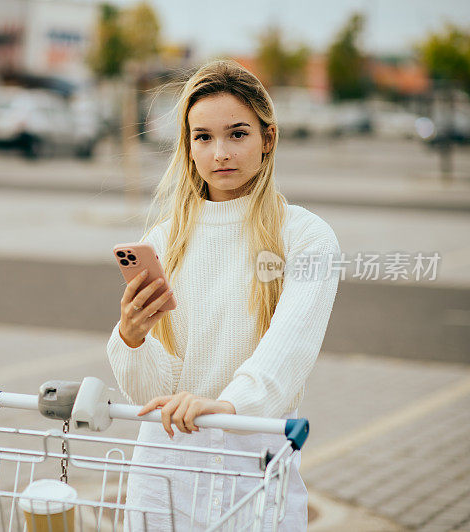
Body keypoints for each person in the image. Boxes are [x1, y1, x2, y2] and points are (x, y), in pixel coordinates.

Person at [106, 59, 340, 531]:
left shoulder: (307, 237)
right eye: (203, 137)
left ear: (267, 139)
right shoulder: (164, 239)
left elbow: (288, 349)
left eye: (237, 134)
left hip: (253, 466)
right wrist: (131, 339)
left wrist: (230, 406)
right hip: (164, 475)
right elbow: (154, 393)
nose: (220, 154)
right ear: (188, 146)